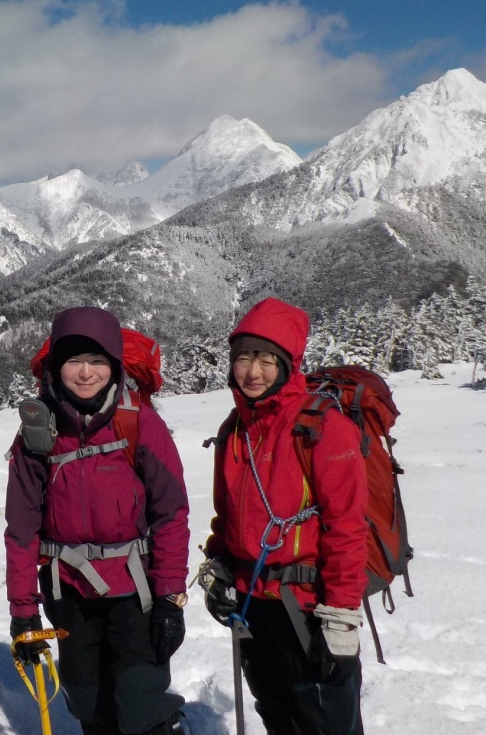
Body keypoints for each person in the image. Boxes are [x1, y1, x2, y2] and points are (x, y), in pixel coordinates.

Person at [5, 307, 190, 735]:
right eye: (73, 361)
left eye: (97, 361)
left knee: (143, 705)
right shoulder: (38, 435)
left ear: (115, 366)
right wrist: (23, 610)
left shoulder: (140, 423)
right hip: (69, 593)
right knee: (89, 705)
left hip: (135, 594)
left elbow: (171, 514)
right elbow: (22, 528)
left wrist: (169, 598)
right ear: (55, 367)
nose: (85, 372)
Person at [201, 297, 369, 735]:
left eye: (266, 359)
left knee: (324, 720)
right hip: (255, 605)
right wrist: (219, 568)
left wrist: (341, 616)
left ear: (288, 364)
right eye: (243, 358)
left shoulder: (322, 427)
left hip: (309, 607)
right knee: (277, 713)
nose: (252, 372)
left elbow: (348, 526)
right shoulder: (233, 429)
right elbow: (227, 517)